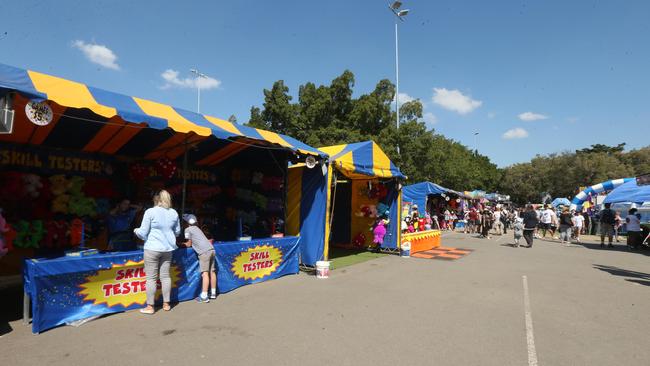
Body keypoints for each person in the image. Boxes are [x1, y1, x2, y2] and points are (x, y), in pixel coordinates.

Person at [134, 190, 181, 314]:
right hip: (168, 249)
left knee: (151, 278)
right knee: (165, 276)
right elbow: (177, 232)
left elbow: (143, 233)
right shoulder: (174, 213)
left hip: (152, 248)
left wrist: (135, 230)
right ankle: (166, 304)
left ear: (156, 199)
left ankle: (150, 307)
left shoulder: (150, 212)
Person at [181, 214, 217, 302]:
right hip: (211, 250)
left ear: (186, 223)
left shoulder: (187, 229)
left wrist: (179, 244)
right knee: (212, 272)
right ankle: (213, 293)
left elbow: (188, 244)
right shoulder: (197, 229)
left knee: (205, 274)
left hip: (204, 252)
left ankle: (204, 295)